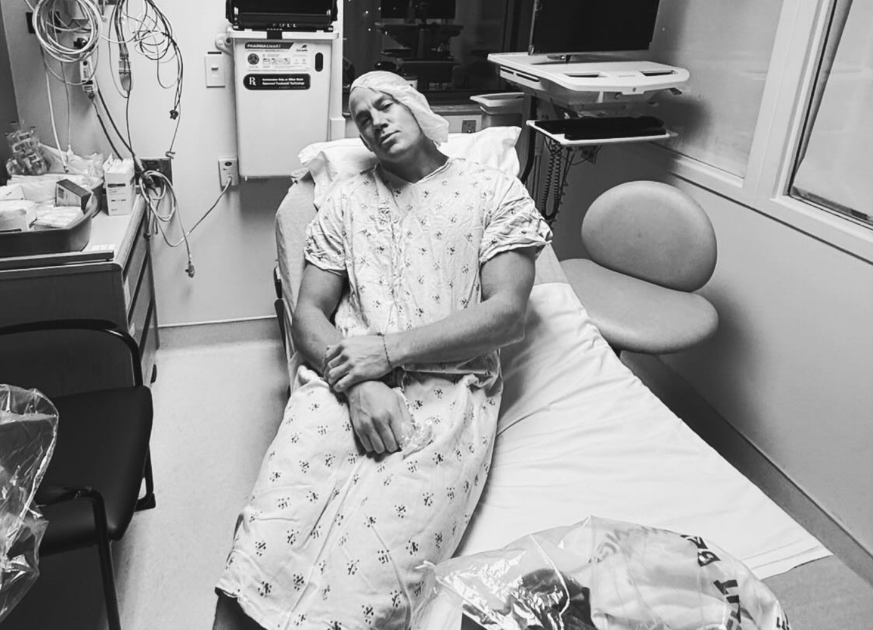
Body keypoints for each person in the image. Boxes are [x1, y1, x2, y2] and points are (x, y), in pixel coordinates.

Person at [213, 71, 551, 630]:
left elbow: (506, 315)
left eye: (386, 105)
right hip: (339, 383)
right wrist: (360, 382)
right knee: (263, 542)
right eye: (362, 118)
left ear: (417, 106)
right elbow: (308, 314)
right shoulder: (345, 201)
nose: (376, 122)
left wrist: (387, 353)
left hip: (447, 397)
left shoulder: (493, 192)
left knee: (373, 578)